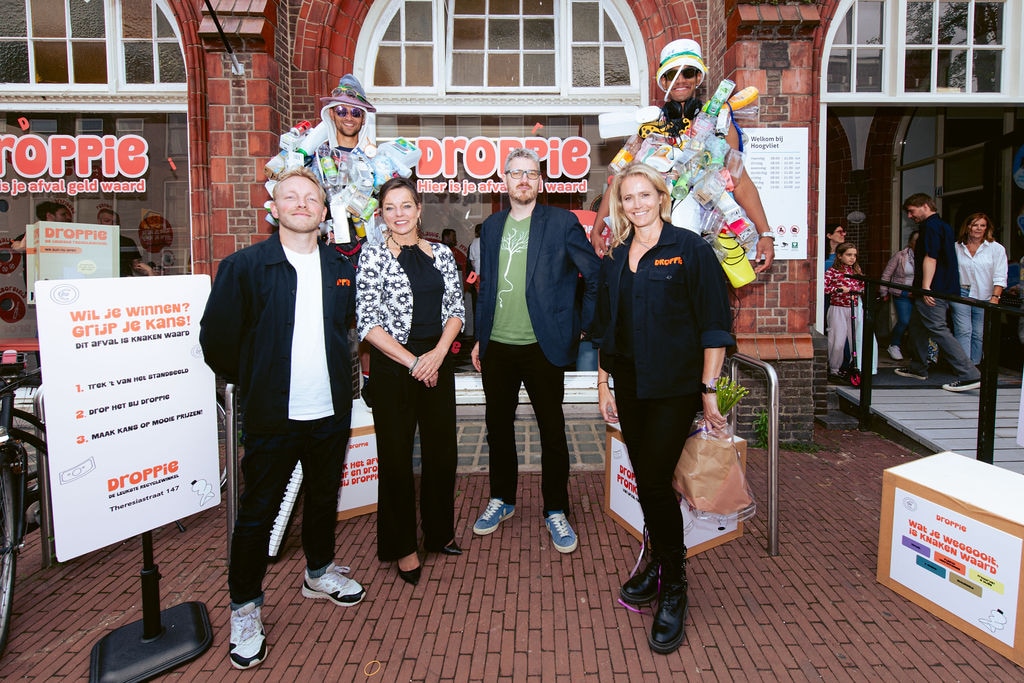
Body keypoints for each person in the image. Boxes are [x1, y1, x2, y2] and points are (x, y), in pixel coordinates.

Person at [199, 168, 365, 670]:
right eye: (289, 196)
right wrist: (255, 379)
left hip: (330, 409)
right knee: (257, 513)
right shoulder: (245, 266)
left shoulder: (341, 265)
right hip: (273, 414)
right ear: (274, 208)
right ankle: (245, 607)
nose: (300, 204)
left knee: (322, 498)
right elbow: (218, 341)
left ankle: (318, 571)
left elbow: (347, 327)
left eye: (310, 198)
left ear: (322, 211)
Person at [592, 163, 733, 654]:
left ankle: (674, 583)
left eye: (644, 195)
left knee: (652, 481)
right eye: (627, 198)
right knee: (652, 480)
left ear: (661, 196)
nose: (636, 204)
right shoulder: (615, 259)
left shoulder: (689, 249)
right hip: (629, 386)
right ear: (621, 206)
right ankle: (657, 561)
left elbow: (715, 323)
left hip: (674, 388)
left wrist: (708, 389)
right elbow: (608, 331)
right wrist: (603, 384)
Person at [470, 147, 601, 553]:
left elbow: (594, 275)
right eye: (515, 173)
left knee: (552, 431)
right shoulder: (491, 228)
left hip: (544, 346)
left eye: (531, 173)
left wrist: (581, 328)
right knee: (498, 428)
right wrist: (481, 335)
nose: (523, 180)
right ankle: (502, 500)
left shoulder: (562, 223)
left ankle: (556, 510)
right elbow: (487, 287)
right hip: (499, 347)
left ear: (540, 182)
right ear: (504, 181)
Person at [356, 178, 465, 585]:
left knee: (442, 454)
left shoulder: (441, 254)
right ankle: (401, 546)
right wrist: (414, 361)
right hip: (393, 367)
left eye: (406, 206)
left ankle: (439, 534)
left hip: (436, 362)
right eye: (390, 207)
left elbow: (456, 309)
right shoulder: (372, 256)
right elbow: (368, 323)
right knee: (398, 460)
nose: (399, 214)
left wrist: (436, 356)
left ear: (419, 210)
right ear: (381, 214)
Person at [589, 38, 775, 273]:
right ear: (663, 81)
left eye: (688, 72)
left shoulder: (720, 125)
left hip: (701, 240)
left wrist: (765, 233)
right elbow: (619, 181)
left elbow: (739, 180)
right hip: (649, 243)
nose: (680, 80)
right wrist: (598, 228)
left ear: (698, 78)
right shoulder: (647, 128)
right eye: (672, 74)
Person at [895, 194, 981, 392]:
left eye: (912, 211)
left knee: (937, 328)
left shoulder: (931, 227)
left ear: (925, 206)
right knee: (917, 326)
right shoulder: (943, 225)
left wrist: (926, 287)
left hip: (933, 289)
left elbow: (931, 257)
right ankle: (918, 367)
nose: (909, 216)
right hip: (939, 287)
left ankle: (969, 373)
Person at [951, 213, 1007, 364]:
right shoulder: (956, 247)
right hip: (960, 291)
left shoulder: (996, 249)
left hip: (985, 294)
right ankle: (964, 366)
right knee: (963, 330)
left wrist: (995, 297)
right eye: (975, 225)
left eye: (982, 225)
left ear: (987, 228)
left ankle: (975, 365)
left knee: (979, 333)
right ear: (968, 227)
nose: (978, 228)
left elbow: (1000, 275)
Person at [823, 242, 865, 380]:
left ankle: (856, 367)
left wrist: (858, 291)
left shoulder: (856, 272)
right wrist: (837, 289)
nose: (852, 258)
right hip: (838, 308)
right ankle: (834, 369)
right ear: (840, 256)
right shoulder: (833, 272)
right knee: (837, 341)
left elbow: (863, 287)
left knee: (856, 340)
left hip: (854, 309)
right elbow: (822, 287)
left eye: (854, 255)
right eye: (848, 255)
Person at [879, 230, 918, 361]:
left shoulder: (928, 256)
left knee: (917, 323)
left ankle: (914, 350)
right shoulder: (901, 256)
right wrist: (883, 291)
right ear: (910, 242)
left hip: (919, 294)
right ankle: (894, 344)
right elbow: (886, 274)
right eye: (915, 241)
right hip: (901, 293)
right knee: (904, 320)